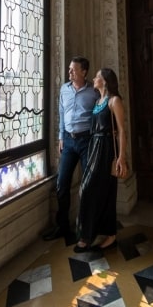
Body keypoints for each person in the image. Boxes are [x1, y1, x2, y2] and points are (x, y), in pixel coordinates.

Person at [42, 57, 99, 243]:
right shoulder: (64, 89)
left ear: (84, 72)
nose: (70, 73)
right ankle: (62, 226)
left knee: (88, 185)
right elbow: (61, 113)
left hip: (86, 141)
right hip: (67, 141)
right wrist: (60, 136)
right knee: (62, 184)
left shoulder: (93, 92)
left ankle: (86, 227)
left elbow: (100, 116)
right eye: (69, 70)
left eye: (73, 70)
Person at [75, 67, 128, 252]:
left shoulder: (114, 101)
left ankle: (99, 236)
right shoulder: (98, 101)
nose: (94, 79)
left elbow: (121, 130)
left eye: (97, 76)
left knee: (97, 191)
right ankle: (94, 233)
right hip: (94, 147)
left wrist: (121, 157)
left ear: (104, 81)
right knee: (89, 190)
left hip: (106, 150)